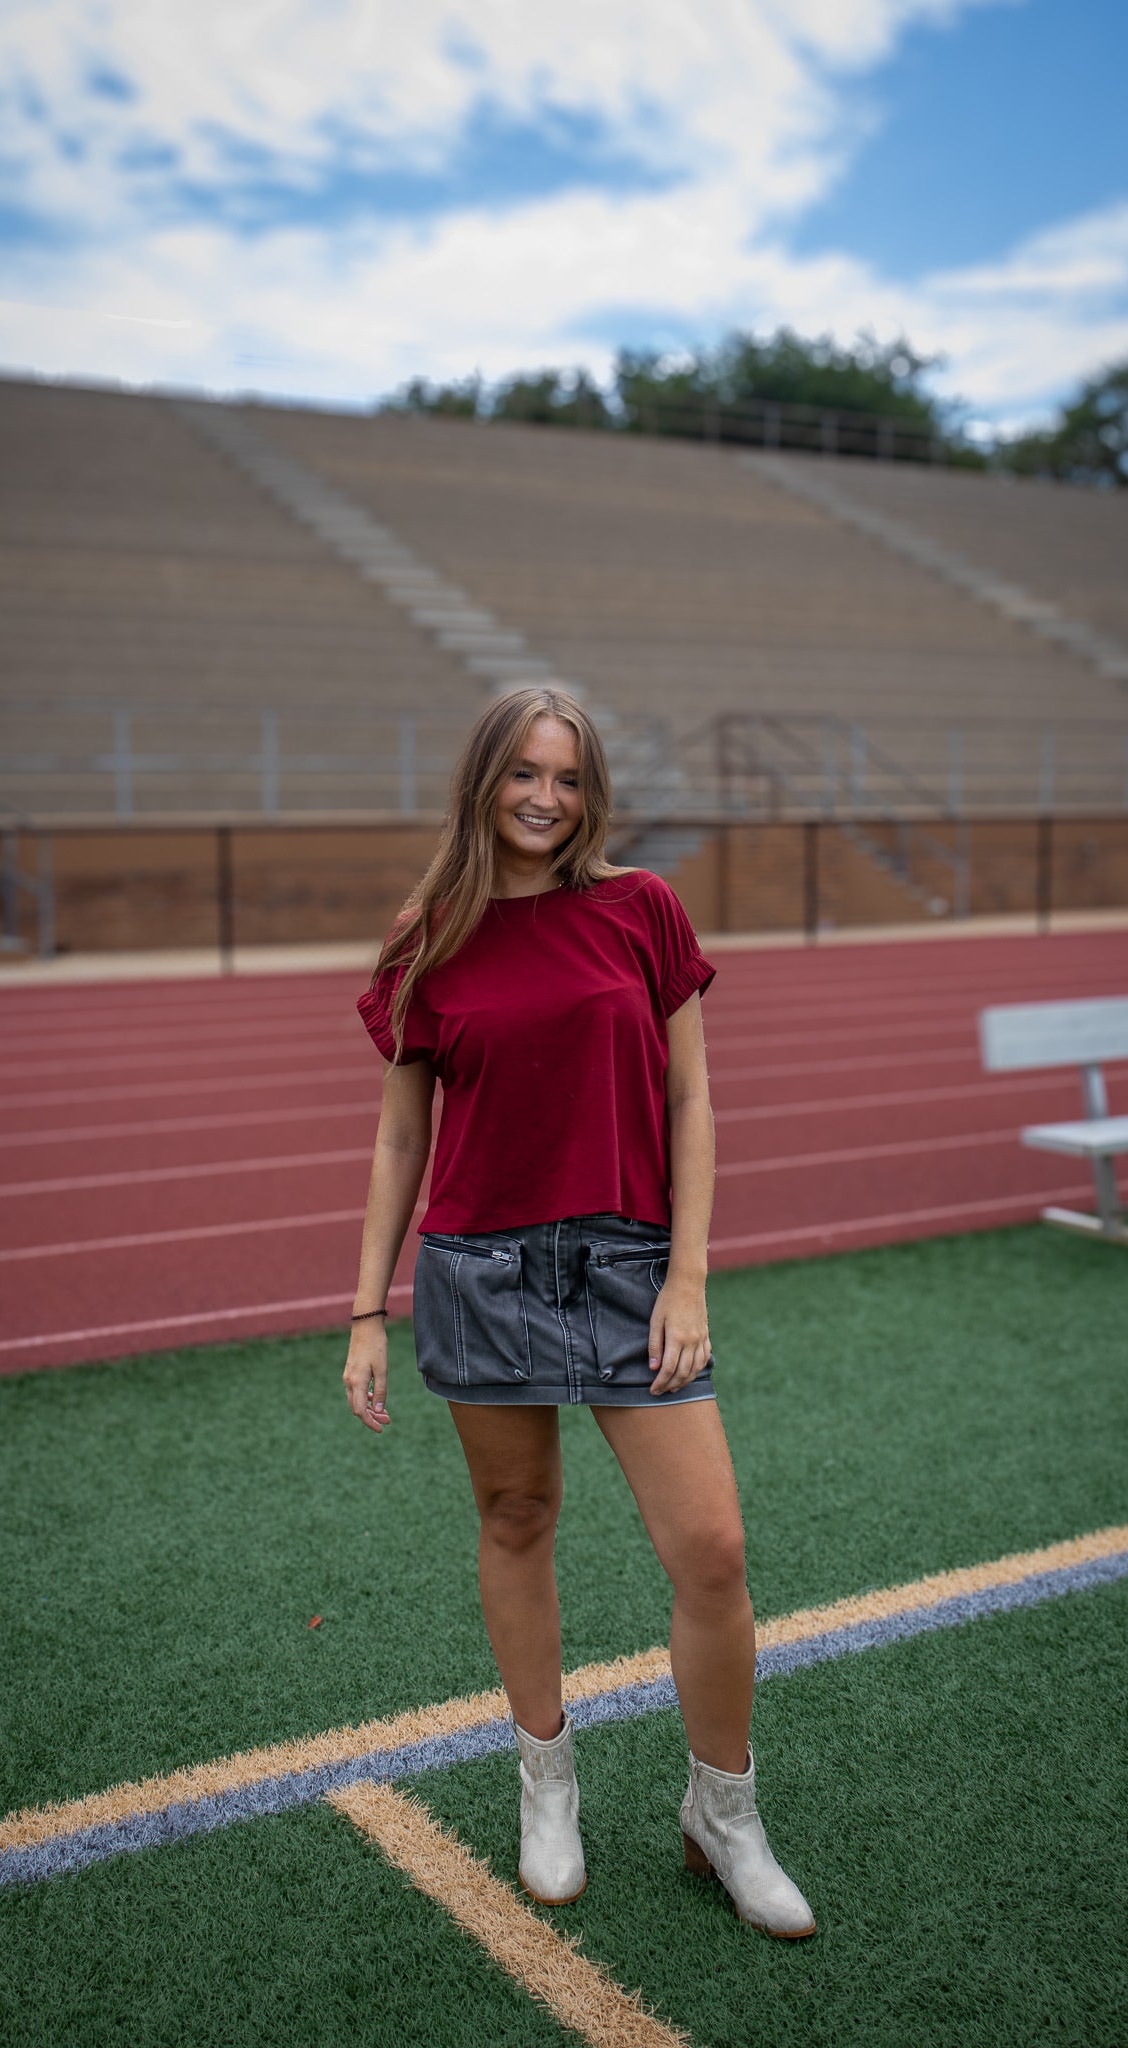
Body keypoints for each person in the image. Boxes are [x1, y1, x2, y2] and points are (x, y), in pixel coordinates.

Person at [344, 684, 814, 1939]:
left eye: (565, 775)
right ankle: (544, 1780)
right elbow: (402, 1135)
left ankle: (724, 1812)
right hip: (478, 1271)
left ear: (589, 788)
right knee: (518, 1517)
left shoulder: (641, 908)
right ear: (483, 781)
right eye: (521, 774)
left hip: (628, 1264)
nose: (544, 798)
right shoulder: (427, 934)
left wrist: (689, 1273)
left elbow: (693, 1101)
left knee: (711, 1548)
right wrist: (364, 1308)